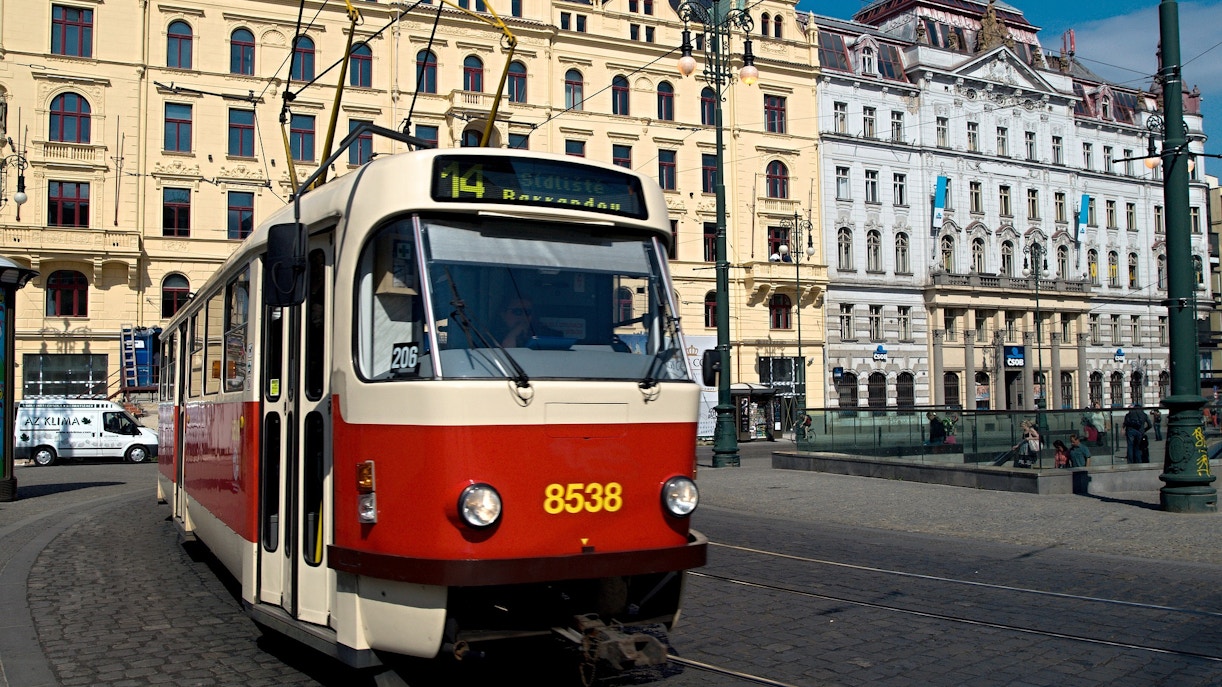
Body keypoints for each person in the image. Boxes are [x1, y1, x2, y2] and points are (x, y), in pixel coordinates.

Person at [494, 297, 560, 348]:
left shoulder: (548, 335)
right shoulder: (490, 338)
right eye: (517, 311)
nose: (524, 316)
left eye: (528, 312)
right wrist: (512, 335)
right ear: (503, 314)